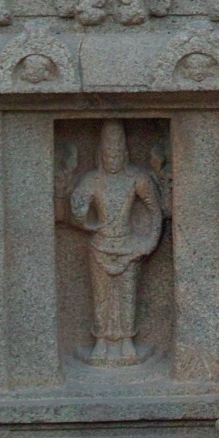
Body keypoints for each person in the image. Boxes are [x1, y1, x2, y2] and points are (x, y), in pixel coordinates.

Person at [67, 119, 163, 367]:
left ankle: (126, 340)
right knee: (101, 296)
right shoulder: (92, 180)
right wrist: (84, 219)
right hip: (100, 244)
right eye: (109, 152)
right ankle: (101, 340)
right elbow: (76, 213)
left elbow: (155, 210)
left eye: (118, 152)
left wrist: (150, 241)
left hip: (127, 244)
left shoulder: (136, 178)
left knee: (126, 295)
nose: (113, 157)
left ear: (125, 152)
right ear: (101, 153)